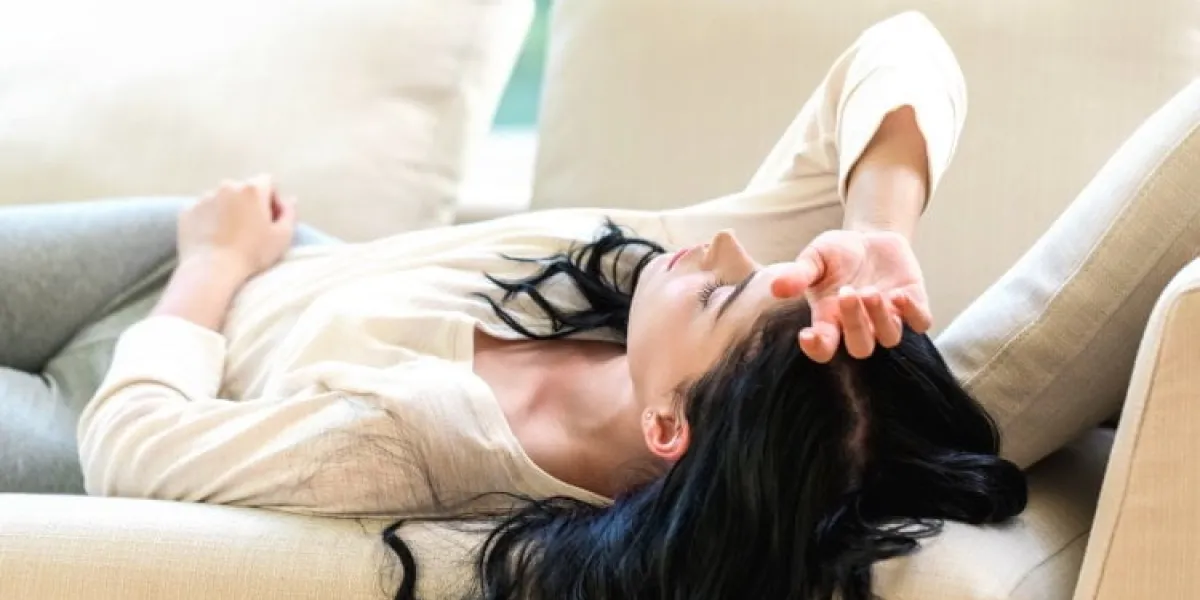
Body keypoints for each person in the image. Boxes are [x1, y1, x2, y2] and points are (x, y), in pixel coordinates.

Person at [0, 13, 1025, 600]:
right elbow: (905, 49)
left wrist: (214, 265)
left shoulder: (422, 444)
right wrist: (879, 231)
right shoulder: (683, 314)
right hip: (204, 264)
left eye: (721, 289)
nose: (713, 248)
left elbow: (132, 450)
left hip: (126, 371)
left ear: (670, 427)